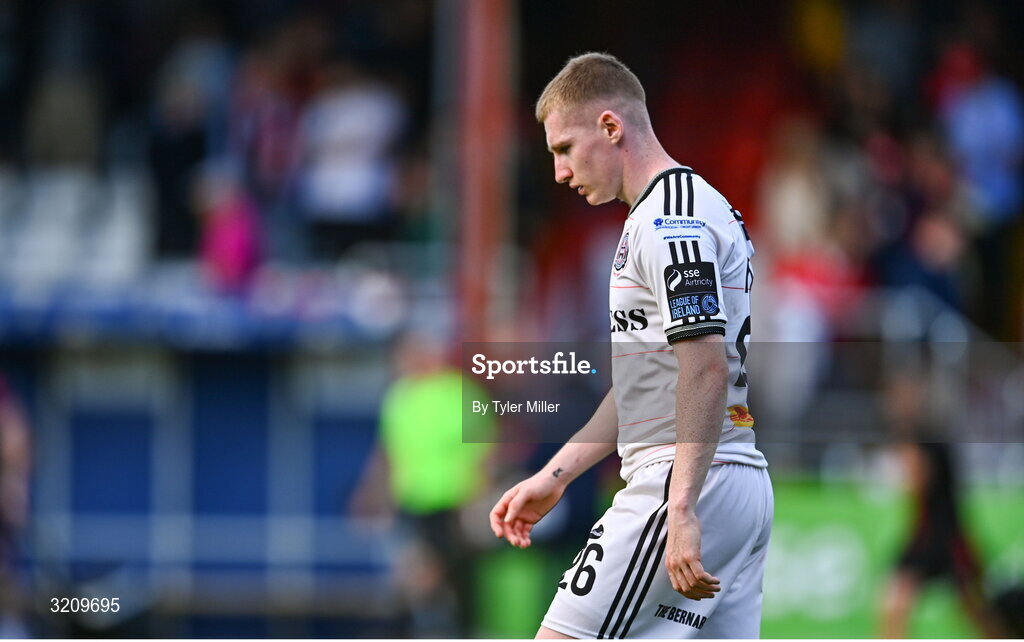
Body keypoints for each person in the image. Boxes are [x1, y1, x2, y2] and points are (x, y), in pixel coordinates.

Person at [490, 53, 772, 639]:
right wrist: (557, 474)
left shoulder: (669, 223)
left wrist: (682, 505)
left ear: (611, 128)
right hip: (731, 475)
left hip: (685, 475)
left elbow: (704, 371)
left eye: (565, 149)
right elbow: (650, 379)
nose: (560, 173)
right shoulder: (697, 207)